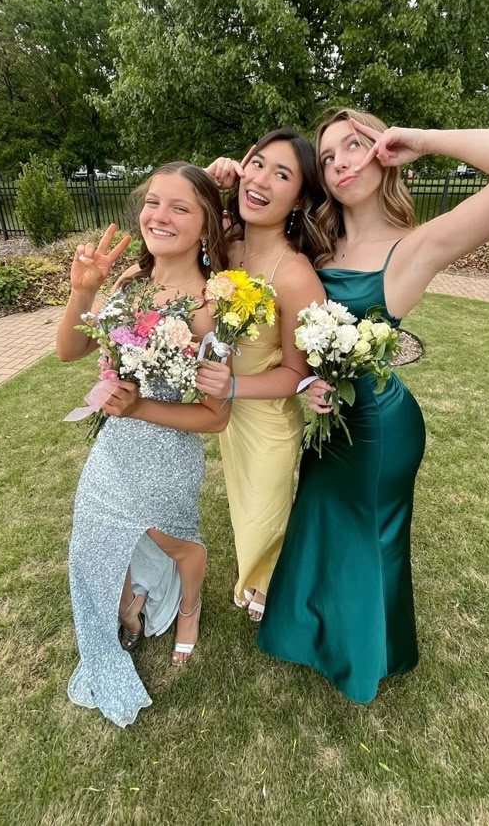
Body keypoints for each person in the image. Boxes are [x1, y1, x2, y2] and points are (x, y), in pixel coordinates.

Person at [256, 109, 489, 702]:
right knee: (322, 523)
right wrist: (226, 173)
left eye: (355, 145)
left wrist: (423, 140)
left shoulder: (417, 247)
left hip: (378, 427)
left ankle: (368, 658)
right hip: (327, 417)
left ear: (382, 151)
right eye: (327, 157)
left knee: (369, 539)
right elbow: (244, 220)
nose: (341, 161)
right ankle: (313, 635)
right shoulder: (315, 240)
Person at [56, 162, 230, 727]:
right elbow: (69, 351)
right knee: (93, 536)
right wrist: (83, 290)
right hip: (114, 448)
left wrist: (139, 406)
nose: (160, 216)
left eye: (181, 207)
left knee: (175, 542)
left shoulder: (215, 307)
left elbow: (215, 419)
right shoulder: (131, 281)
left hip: (168, 452)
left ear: (206, 224)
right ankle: (127, 605)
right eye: (154, 202)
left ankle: (189, 608)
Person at [198, 129, 326, 619]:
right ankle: (264, 575)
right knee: (242, 506)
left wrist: (233, 386)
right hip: (227, 414)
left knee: (265, 512)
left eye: (283, 174)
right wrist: (209, 182)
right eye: (258, 163)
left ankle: (269, 582)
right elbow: (176, 216)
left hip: (268, 418)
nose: (261, 180)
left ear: (299, 199)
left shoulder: (294, 275)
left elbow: (298, 373)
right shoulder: (227, 243)